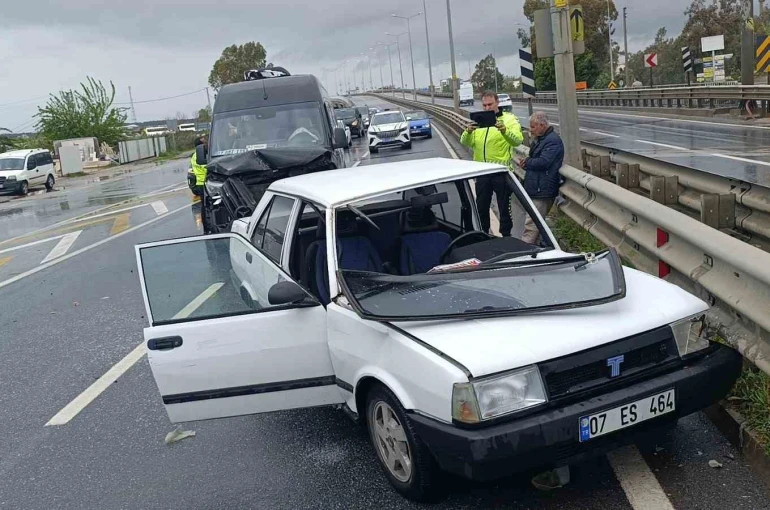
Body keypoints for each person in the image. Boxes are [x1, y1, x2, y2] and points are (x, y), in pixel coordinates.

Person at [460, 91, 524, 237]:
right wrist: (468, 132)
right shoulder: (479, 121)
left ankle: (506, 236)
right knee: (481, 208)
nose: (487, 108)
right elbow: (465, 142)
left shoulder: (509, 119)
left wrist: (504, 131)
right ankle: (484, 235)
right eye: (484, 105)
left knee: (504, 209)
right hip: (482, 172)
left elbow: (518, 141)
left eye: (490, 104)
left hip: (501, 172)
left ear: (497, 103)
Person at [518, 111, 564, 245]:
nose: (530, 130)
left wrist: (528, 162)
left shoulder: (552, 141)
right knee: (536, 223)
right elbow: (536, 160)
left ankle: (525, 250)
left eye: (533, 127)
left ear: (542, 125)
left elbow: (544, 162)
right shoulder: (541, 139)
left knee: (532, 223)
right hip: (537, 186)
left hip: (543, 189)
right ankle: (535, 251)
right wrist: (527, 163)